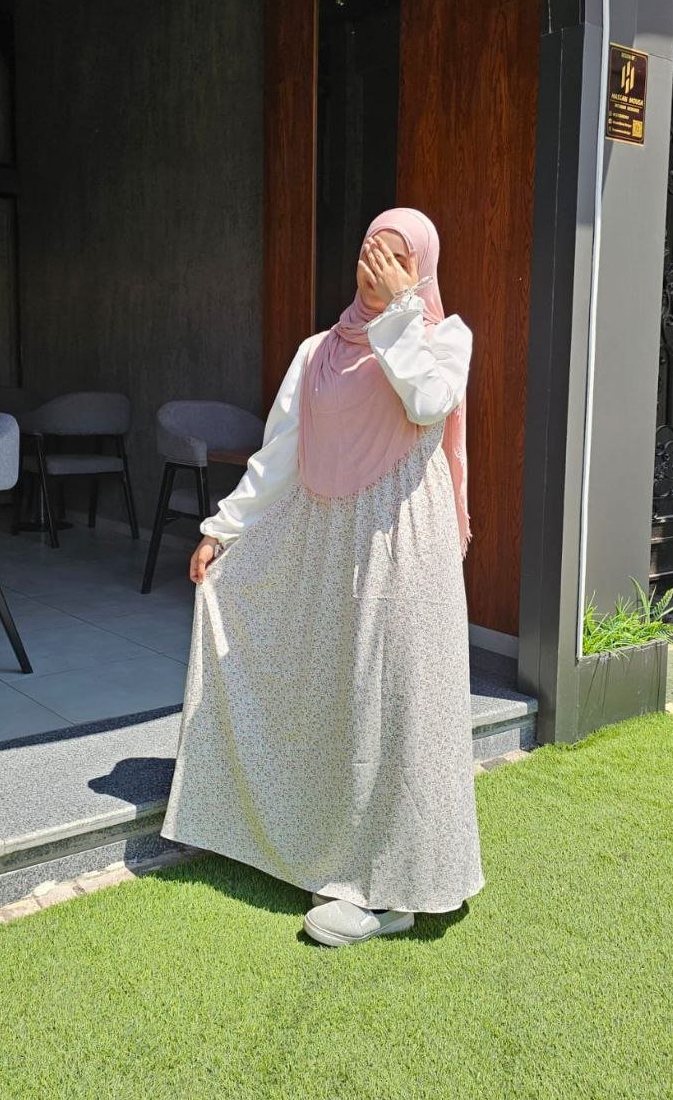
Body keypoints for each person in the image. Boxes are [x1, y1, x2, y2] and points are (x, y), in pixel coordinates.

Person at [159, 207, 485, 947]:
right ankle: (338, 852)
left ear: (423, 268)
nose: (377, 266)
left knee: (396, 702)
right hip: (331, 545)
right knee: (340, 697)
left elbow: (427, 402)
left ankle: (395, 890)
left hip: (405, 546)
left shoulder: (443, 339)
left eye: (397, 256)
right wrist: (223, 527)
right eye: (370, 250)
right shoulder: (317, 353)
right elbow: (280, 454)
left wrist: (399, 314)